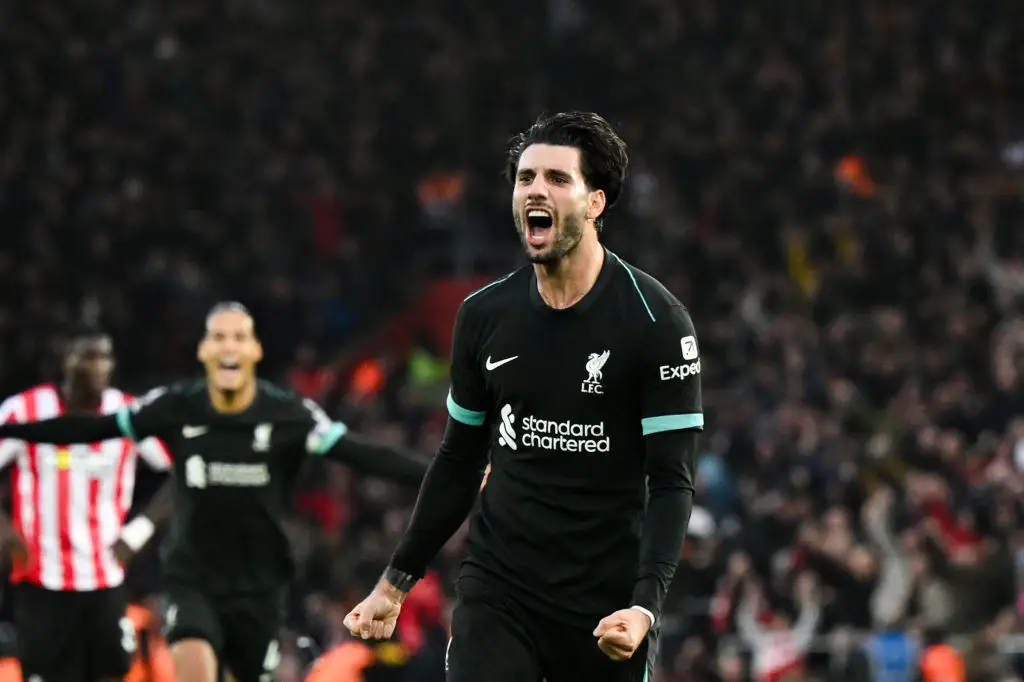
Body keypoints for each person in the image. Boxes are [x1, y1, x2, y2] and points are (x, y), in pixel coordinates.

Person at [344, 111, 703, 682]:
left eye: (558, 178)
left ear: (595, 202)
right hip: (500, 587)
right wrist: (395, 582)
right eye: (525, 177)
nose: (536, 189)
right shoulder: (484, 316)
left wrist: (644, 607)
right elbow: (459, 459)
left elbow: (671, 483)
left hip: (604, 605)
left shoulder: (656, 322)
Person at [0, 303, 431, 682]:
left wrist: (445, 475)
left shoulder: (288, 414)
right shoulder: (174, 407)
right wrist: (19, 437)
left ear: (255, 350)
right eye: (218, 337)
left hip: (258, 582)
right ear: (204, 349)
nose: (228, 346)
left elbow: (361, 453)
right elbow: (90, 428)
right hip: (190, 577)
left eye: (239, 337)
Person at [0, 327, 173, 682]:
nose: (97, 366)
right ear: (66, 361)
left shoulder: (129, 414)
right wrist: (4, 530)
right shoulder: (24, 411)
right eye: (87, 356)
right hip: (41, 581)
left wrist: (139, 531)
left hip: (104, 579)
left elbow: (188, 472)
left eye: (104, 357)